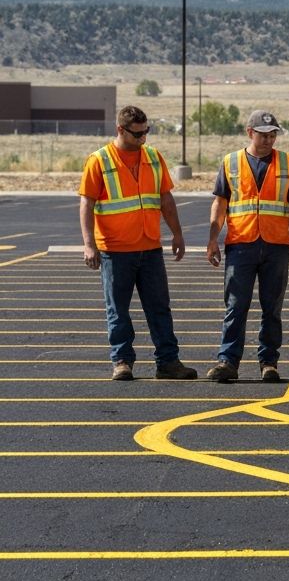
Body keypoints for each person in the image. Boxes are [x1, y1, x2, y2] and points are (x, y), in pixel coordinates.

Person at [79, 105, 197, 381]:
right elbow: (87, 202)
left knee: (159, 307)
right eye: (137, 134)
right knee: (118, 309)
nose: (143, 138)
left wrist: (177, 233)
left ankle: (168, 362)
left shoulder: (154, 158)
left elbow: (165, 199)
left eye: (146, 132)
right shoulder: (100, 160)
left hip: (150, 247)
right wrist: (88, 243)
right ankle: (122, 361)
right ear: (120, 130)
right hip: (115, 250)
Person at [205, 110, 289, 383]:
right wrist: (212, 240)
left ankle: (269, 362)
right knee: (236, 306)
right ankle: (227, 361)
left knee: (272, 308)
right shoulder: (231, 163)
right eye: (263, 135)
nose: (268, 140)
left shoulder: (287, 163)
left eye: (273, 135)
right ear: (249, 132)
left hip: (276, 245)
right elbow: (220, 203)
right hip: (241, 244)